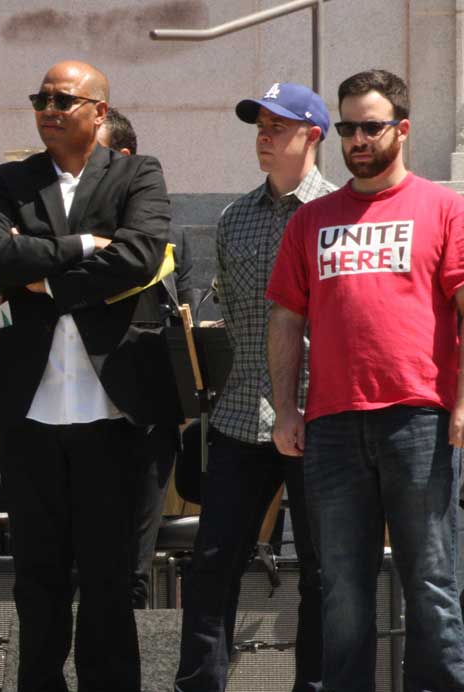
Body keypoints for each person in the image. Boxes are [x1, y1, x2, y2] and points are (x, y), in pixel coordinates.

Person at [0, 60, 174, 692]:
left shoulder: (138, 172)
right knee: (37, 576)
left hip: (115, 413)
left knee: (110, 576)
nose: (48, 109)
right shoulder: (9, 180)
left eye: (63, 99)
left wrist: (47, 281)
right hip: (31, 413)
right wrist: (89, 247)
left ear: (98, 112)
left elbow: (141, 257)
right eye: (40, 98)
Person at [268, 69, 464, 691]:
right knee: (341, 586)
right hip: (330, 425)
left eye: (370, 126)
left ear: (401, 130)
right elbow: (285, 318)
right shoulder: (311, 220)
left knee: (431, 579)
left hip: (421, 418)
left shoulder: (445, 207)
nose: (356, 138)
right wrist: (286, 408)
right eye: (347, 127)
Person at [174, 82, 335, 692]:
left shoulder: (339, 211)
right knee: (213, 562)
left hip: (321, 415)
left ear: (313, 135)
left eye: (279, 125)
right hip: (243, 415)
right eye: (259, 125)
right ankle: (200, 684)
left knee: (321, 570)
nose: (264, 136)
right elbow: (234, 313)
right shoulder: (233, 216)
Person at [96, 106, 196, 609]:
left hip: (147, 418)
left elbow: (187, 324)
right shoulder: (53, 237)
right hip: (78, 416)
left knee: (133, 567)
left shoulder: (170, 242)